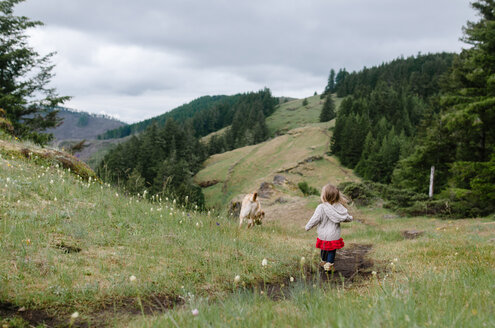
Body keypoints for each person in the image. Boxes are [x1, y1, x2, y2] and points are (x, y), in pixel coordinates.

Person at [305, 184, 353, 272]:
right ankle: (329, 264)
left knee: (323, 248)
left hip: (323, 234)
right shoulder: (339, 207)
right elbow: (345, 217)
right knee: (332, 250)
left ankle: (324, 261)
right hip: (334, 234)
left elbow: (315, 219)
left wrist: (308, 226)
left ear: (323, 196)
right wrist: (350, 218)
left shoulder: (321, 207)